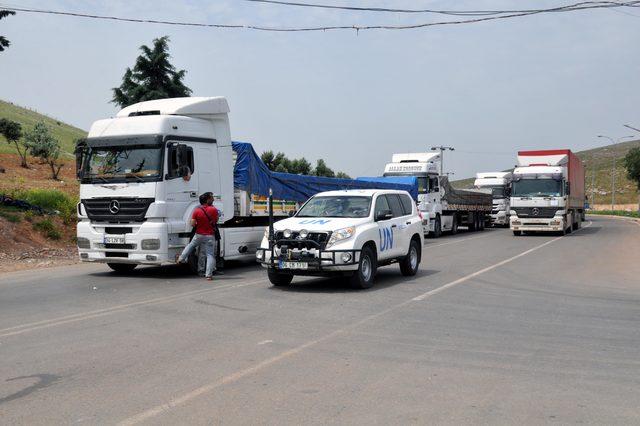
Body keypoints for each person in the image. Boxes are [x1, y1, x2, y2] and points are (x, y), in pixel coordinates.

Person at [177, 192, 220, 280]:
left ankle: (181, 259)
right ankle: (208, 275)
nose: (213, 199)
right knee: (210, 255)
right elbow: (216, 221)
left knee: (191, 246)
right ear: (207, 200)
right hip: (209, 236)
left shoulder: (197, 210)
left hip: (199, 234)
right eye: (211, 198)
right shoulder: (214, 210)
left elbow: (192, 224)